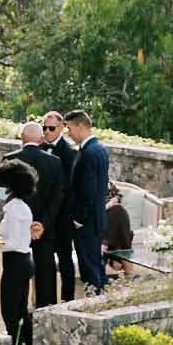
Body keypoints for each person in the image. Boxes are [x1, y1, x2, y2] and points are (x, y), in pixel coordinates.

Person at [11, 122, 68, 309]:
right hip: (44, 229)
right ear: (40, 138)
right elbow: (57, 198)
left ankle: (19, 316)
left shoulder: (10, 159)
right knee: (45, 276)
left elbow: (5, 196)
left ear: (22, 137)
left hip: (18, 228)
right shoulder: (55, 162)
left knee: (17, 275)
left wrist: (25, 222)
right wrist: (42, 223)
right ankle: (46, 315)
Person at [0, 157, 40, 345]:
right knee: (21, 309)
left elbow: (12, 242)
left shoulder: (14, 209)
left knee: (10, 311)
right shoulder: (22, 207)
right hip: (23, 260)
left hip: (15, 262)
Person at [64, 109, 110, 293]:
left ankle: (96, 308)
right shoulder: (99, 149)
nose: (68, 133)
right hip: (95, 220)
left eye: (69, 128)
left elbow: (88, 191)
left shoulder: (89, 152)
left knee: (90, 270)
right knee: (95, 267)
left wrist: (79, 219)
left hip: (87, 222)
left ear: (80, 126)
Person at [40, 110, 78, 300]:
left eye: (51, 128)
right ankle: (44, 300)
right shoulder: (38, 148)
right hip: (43, 216)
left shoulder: (70, 152)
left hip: (62, 216)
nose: (47, 132)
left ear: (61, 128)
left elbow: (69, 186)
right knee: (43, 262)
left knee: (65, 261)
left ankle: (67, 299)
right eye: (44, 128)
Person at [103, 185, 135, 276]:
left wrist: (114, 201)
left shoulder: (106, 182)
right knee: (117, 213)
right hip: (102, 215)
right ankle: (125, 263)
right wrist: (107, 205)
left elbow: (118, 196)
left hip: (113, 214)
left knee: (118, 212)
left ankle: (109, 250)